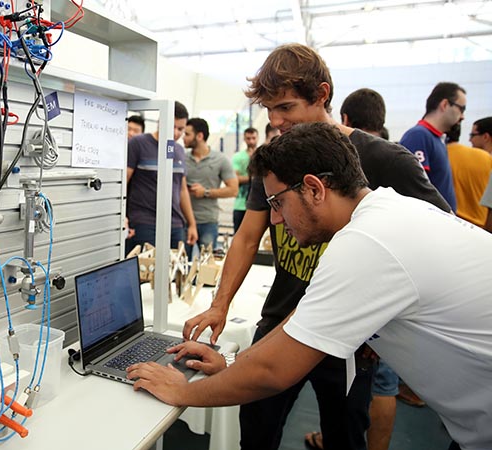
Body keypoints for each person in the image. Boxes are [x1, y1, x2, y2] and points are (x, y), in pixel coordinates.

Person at [127, 122, 492, 450]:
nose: (274, 218)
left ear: (315, 189)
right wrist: (233, 362)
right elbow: (298, 324)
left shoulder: (367, 242)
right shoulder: (381, 216)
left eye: (277, 202)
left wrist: (183, 392)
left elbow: (275, 372)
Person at [182, 43, 450, 450]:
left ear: (322, 94)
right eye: (269, 111)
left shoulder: (385, 159)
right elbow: (248, 235)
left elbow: (437, 238)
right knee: (256, 430)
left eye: (286, 108)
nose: (276, 121)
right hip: (280, 320)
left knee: (344, 436)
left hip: (352, 337)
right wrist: (220, 304)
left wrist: (389, 320)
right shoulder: (276, 157)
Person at [339, 87, 398, 450]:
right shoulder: (400, 160)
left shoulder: (360, 160)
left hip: (377, 306)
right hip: (386, 306)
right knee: (379, 387)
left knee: (373, 388)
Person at [125, 101, 198, 255]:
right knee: (146, 272)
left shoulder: (178, 150)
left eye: (181, 129)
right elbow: (124, 182)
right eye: (173, 127)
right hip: (144, 222)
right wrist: (122, 217)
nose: (177, 133)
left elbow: (182, 190)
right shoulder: (138, 144)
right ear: (161, 122)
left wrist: (191, 224)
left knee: (175, 273)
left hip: (175, 223)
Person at [399, 82, 466, 212]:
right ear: (445, 104)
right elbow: (415, 187)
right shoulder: (418, 136)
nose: (462, 116)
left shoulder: (437, 139)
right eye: (461, 109)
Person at [182, 118, 237, 254]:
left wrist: (205, 192)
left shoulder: (221, 160)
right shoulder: (181, 158)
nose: (183, 137)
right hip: (183, 221)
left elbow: (233, 190)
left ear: (199, 136)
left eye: (187, 134)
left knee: (207, 265)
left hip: (208, 221)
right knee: (180, 266)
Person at [446, 123, 492, 228]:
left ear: (485, 137)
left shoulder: (442, 155)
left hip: (453, 222)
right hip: (481, 226)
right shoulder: (486, 158)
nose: (470, 140)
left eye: (472, 135)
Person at [232, 128, 258, 232]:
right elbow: (235, 179)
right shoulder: (238, 157)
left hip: (256, 204)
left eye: (253, 138)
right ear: (244, 139)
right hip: (240, 204)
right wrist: (252, 178)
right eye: (248, 138)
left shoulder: (262, 155)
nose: (251, 141)